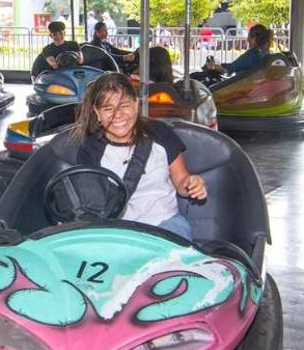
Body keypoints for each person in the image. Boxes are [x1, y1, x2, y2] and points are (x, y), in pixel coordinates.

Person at [63, 73, 206, 240]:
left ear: (136, 104)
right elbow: (89, 202)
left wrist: (192, 184)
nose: (118, 115)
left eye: (124, 105)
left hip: (165, 223)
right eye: (108, 108)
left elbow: (181, 181)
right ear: (97, 113)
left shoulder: (159, 133)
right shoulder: (90, 148)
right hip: (118, 231)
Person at [203, 24, 272, 77]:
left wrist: (213, 66)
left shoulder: (252, 54)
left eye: (249, 37)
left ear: (254, 38)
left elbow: (229, 69)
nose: (247, 40)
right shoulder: (268, 55)